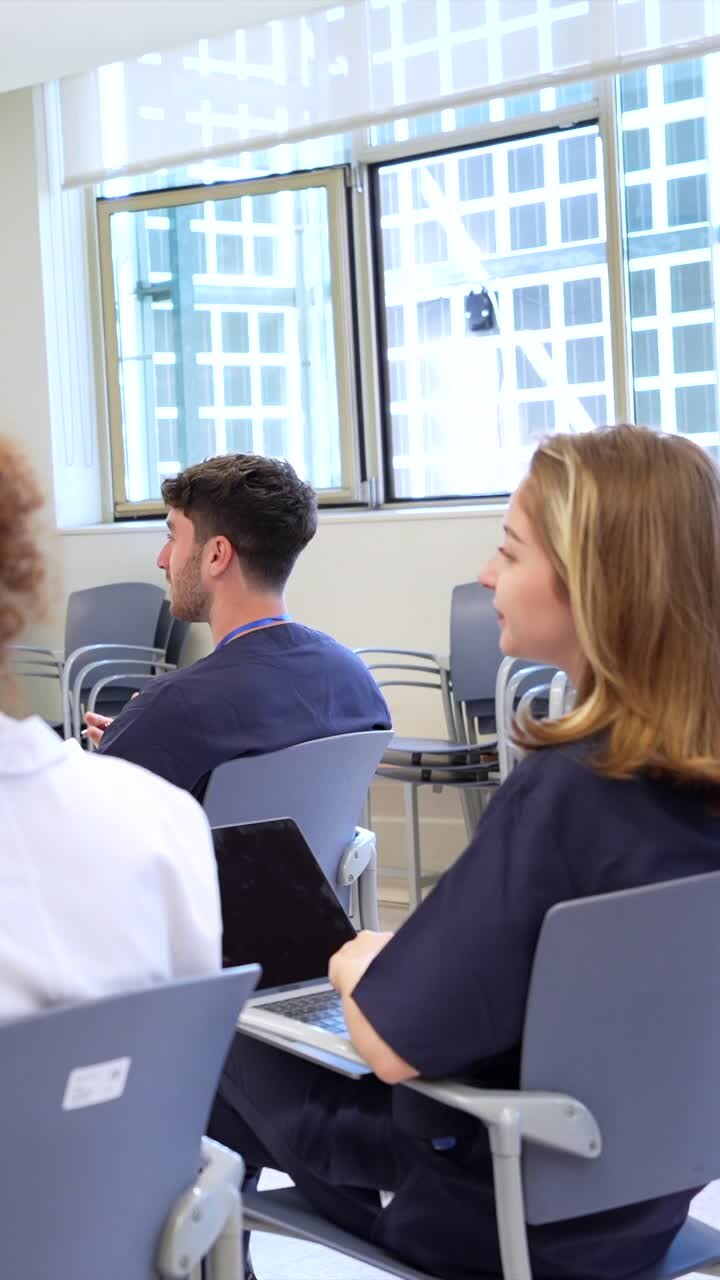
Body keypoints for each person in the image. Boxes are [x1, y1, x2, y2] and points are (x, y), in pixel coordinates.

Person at [209, 424, 720, 1280]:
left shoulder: (566, 795)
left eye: (509, 551)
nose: (487, 574)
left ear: (595, 582)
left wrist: (355, 965)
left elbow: (388, 1046)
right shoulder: (683, 789)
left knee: (206, 1031)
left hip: (479, 1207)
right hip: (640, 1204)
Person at [0, 436, 221, 1018]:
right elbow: (190, 1038)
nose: (161, 559)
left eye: (171, 536)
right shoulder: (162, 822)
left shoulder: (169, 713)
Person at [86, 454, 390, 798]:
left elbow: (99, 818)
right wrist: (139, 735)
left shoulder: (171, 706)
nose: (162, 559)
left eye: (172, 537)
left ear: (217, 555)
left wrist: (139, 732)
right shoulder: (354, 679)